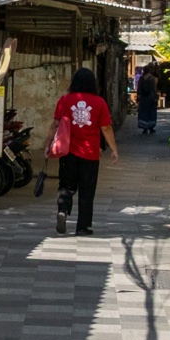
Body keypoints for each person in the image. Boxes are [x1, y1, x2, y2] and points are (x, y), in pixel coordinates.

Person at [53, 66, 119, 235]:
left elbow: (55, 124)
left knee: (66, 185)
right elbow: (106, 128)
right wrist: (113, 149)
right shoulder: (99, 102)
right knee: (87, 191)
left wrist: (48, 144)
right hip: (90, 155)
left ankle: (63, 210)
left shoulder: (64, 100)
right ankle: (82, 227)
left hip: (67, 153)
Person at [136, 63, 160, 135]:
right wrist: (156, 97)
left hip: (143, 98)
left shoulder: (141, 78)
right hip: (151, 97)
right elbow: (154, 88)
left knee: (144, 112)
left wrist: (138, 96)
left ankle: (145, 128)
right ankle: (151, 127)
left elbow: (139, 88)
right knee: (151, 112)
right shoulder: (152, 78)